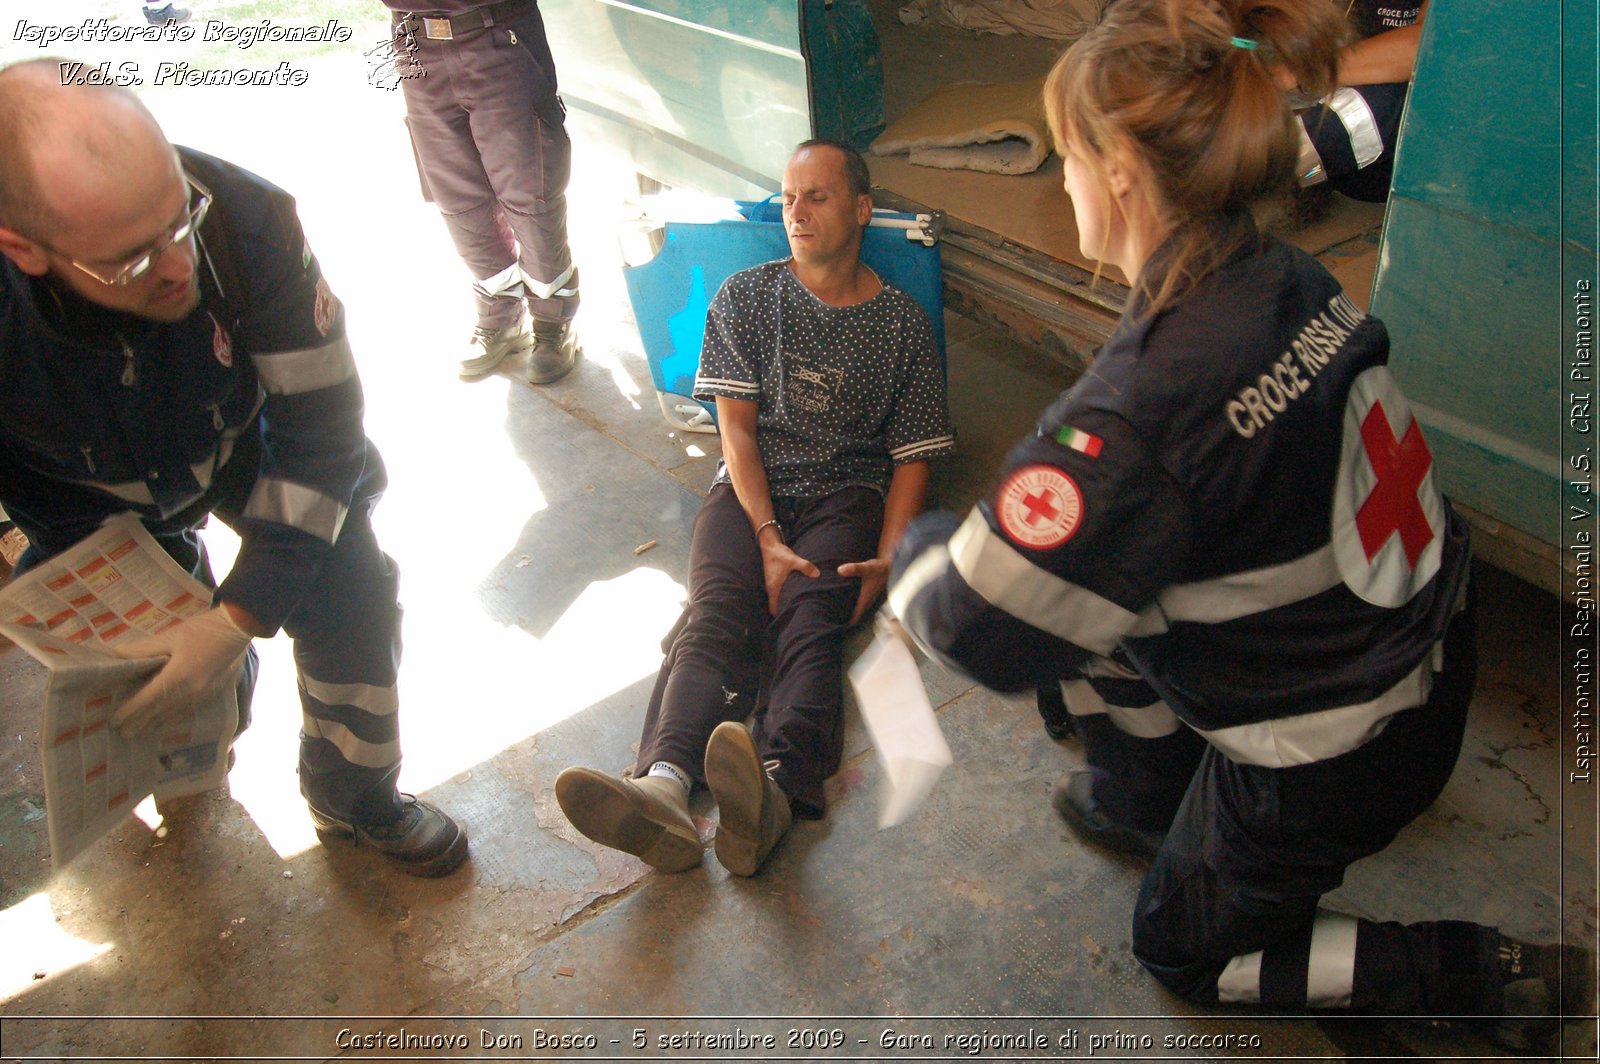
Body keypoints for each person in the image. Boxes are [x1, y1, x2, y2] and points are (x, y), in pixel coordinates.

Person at [886, 0, 1588, 1044]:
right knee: (1112, 589)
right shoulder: (1280, 274)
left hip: (1337, 745)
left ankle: (1484, 972)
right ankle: (1142, 795)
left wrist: (914, 553)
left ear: (1120, 165)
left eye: (1069, 155)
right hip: (1433, 650)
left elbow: (974, 627)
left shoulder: (1138, 412)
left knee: (1188, 951)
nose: (1062, 178)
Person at [0, 60, 468, 877]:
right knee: (144, 660)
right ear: (23, 249)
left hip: (246, 441)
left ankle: (355, 797)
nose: (178, 265)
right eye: (131, 260)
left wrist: (237, 617)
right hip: (81, 493)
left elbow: (324, 431)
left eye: (179, 219)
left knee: (350, 593)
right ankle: (190, 756)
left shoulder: (246, 221)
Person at [555, 140, 956, 877]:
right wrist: (766, 534)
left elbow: (912, 459)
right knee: (716, 612)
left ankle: (772, 790)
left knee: (811, 621)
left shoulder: (901, 325)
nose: (796, 213)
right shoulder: (747, 295)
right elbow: (736, 432)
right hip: (750, 490)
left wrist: (891, 556)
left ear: (861, 209)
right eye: (790, 197)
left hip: (848, 496)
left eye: (818, 196)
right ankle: (664, 791)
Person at [380, 1, 580, 384]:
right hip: (414, 37)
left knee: (528, 187)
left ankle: (554, 323)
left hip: (498, 32)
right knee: (455, 193)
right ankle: (499, 317)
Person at [1291, 0, 1428, 201]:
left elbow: (1425, 46)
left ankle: (1251, 171)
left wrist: (1297, 73)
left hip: (1396, 154)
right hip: (1317, 83)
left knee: (1378, 100)